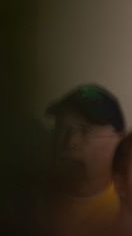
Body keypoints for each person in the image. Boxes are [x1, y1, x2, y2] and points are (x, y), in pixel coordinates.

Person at [46, 83, 126, 224]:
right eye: (62, 129)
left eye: (85, 131)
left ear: (119, 141)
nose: (71, 142)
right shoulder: (32, 205)